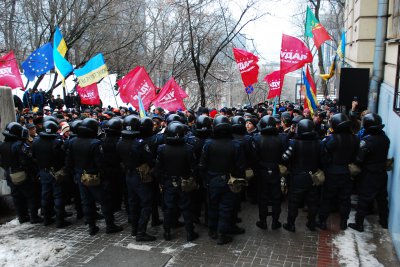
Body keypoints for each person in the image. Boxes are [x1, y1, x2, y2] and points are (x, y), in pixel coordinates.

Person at [66, 118, 123, 235]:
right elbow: (100, 163)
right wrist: (105, 177)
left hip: (81, 175)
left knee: (87, 202)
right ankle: (110, 225)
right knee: (104, 201)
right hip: (95, 177)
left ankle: (92, 226)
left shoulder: (72, 142)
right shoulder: (95, 143)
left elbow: (69, 161)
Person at [199, 115, 245, 245]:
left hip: (213, 180)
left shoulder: (208, 144)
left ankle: (213, 230)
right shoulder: (236, 145)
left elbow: (202, 165)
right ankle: (222, 234)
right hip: (230, 181)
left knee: (213, 206)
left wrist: (205, 179)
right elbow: (240, 166)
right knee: (226, 208)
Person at [155, 121, 199, 241]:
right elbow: (194, 167)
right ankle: (190, 233)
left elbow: (158, 168)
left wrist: (161, 181)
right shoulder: (188, 148)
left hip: (169, 181)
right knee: (186, 207)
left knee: (168, 207)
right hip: (184, 181)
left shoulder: (162, 149)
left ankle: (167, 232)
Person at [348, 113, 390, 232]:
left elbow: (359, 160)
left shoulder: (367, 141)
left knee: (364, 198)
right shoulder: (385, 138)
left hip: (369, 174)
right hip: (382, 172)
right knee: (382, 198)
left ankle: (359, 224)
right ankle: (384, 221)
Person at [117, 115, 155, 241]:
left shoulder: (120, 142)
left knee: (133, 203)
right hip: (140, 176)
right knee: (146, 203)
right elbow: (149, 160)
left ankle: (134, 229)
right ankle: (141, 232)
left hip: (129, 175)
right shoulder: (140, 143)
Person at [318, 113, 359, 230]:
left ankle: (322, 221)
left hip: (331, 172)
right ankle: (343, 222)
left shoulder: (332, 139)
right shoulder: (355, 138)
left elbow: (323, 154)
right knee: (345, 198)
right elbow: (357, 156)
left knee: (327, 198)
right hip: (347, 172)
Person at [282, 119, 321, 232]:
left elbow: (285, 158)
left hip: (297, 177)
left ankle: (291, 224)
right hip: (313, 177)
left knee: (293, 202)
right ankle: (311, 223)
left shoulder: (294, 143)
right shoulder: (318, 143)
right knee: (313, 202)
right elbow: (323, 159)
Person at [0, 122, 43, 224]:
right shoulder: (19, 145)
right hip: (21, 173)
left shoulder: (2, 145)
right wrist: (33, 172)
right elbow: (28, 160)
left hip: (9, 173)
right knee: (31, 195)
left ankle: (22, 216)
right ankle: (34, 216)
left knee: (16, 196)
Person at [32, 121, 72, 228]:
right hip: (56, 172)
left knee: (45, 196)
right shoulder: (57, 142)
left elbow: (33, 157)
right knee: (58, 195)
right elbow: (62, 158)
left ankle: (47, 219)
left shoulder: (36, 142)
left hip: (43, 171)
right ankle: (60, 220)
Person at [253, 115, 286, 230]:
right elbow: (284, 156)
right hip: (276, 170)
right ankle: (275, 222)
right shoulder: (282, 137)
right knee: (276, 197)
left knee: (263, 198)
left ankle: (263, 222)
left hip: (262, 171)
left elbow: (254, 157)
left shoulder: (257, 138)